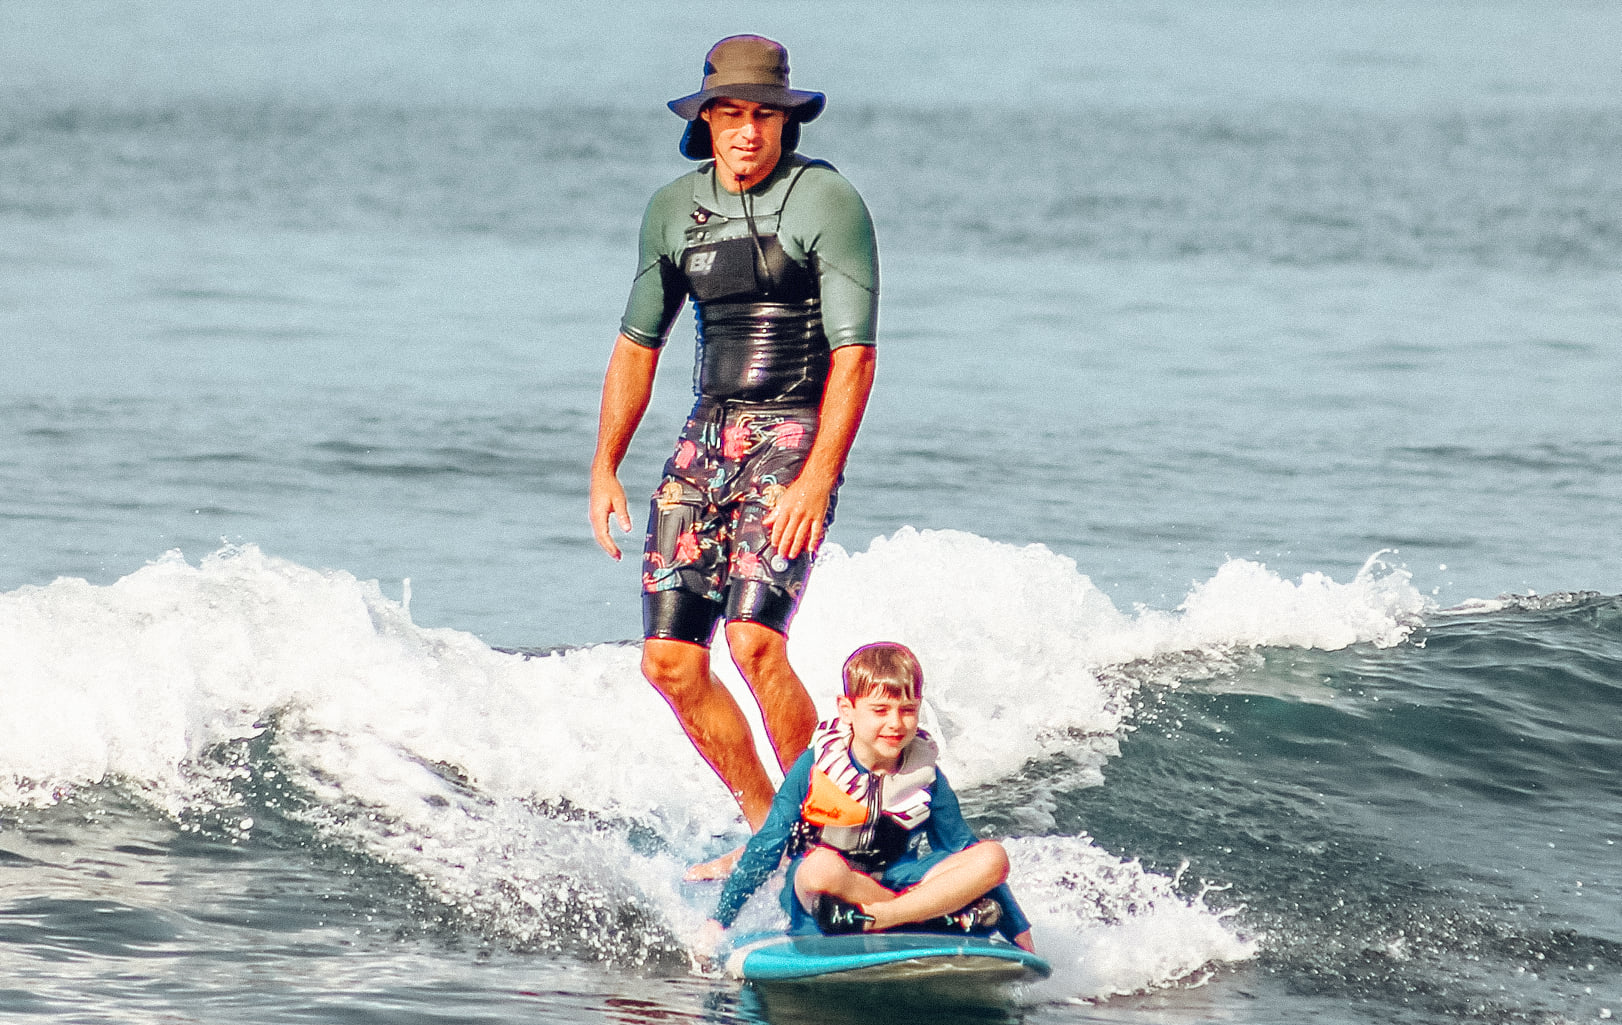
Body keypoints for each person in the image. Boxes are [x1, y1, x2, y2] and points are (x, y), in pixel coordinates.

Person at [588, 35, 880, 878]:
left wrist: (818, 476)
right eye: (730, 114)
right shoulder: (673, 209)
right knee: (670, 661)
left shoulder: (828, 201)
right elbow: (638, 344)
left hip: (791, 434)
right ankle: (770, 829)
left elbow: (855, 356)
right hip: (705, 435)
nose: (747, 131)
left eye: (762, 115)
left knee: (754, 640)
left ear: (786, 121)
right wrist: (606, 463)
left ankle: (829, 830)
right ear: (706, 121)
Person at [702, 643, 1036, 952]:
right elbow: (767, 844)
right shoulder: (816, 765)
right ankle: (932, 919)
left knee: (993, 856)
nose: (895, 723)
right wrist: (719, 921)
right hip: (834, 901)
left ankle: (886, 920)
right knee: (818, 867)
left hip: (897, 887)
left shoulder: (926, 775)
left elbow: (962, 849)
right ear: (847, 709)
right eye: (880, 710)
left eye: (908, 710)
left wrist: (1021, 937)